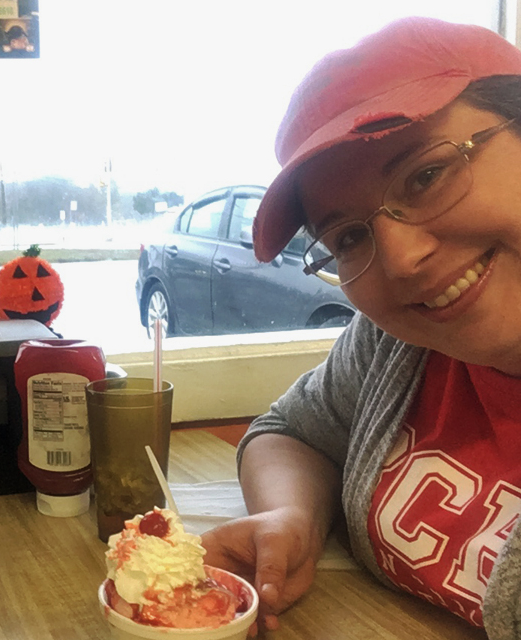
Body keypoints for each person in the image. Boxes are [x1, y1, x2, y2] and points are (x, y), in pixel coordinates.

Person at [199, 17, 521, 640]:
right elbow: (290, 431)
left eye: (426, 175)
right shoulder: (402, 343)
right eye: (348, 237)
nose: (400, 260)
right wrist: (291, 516)